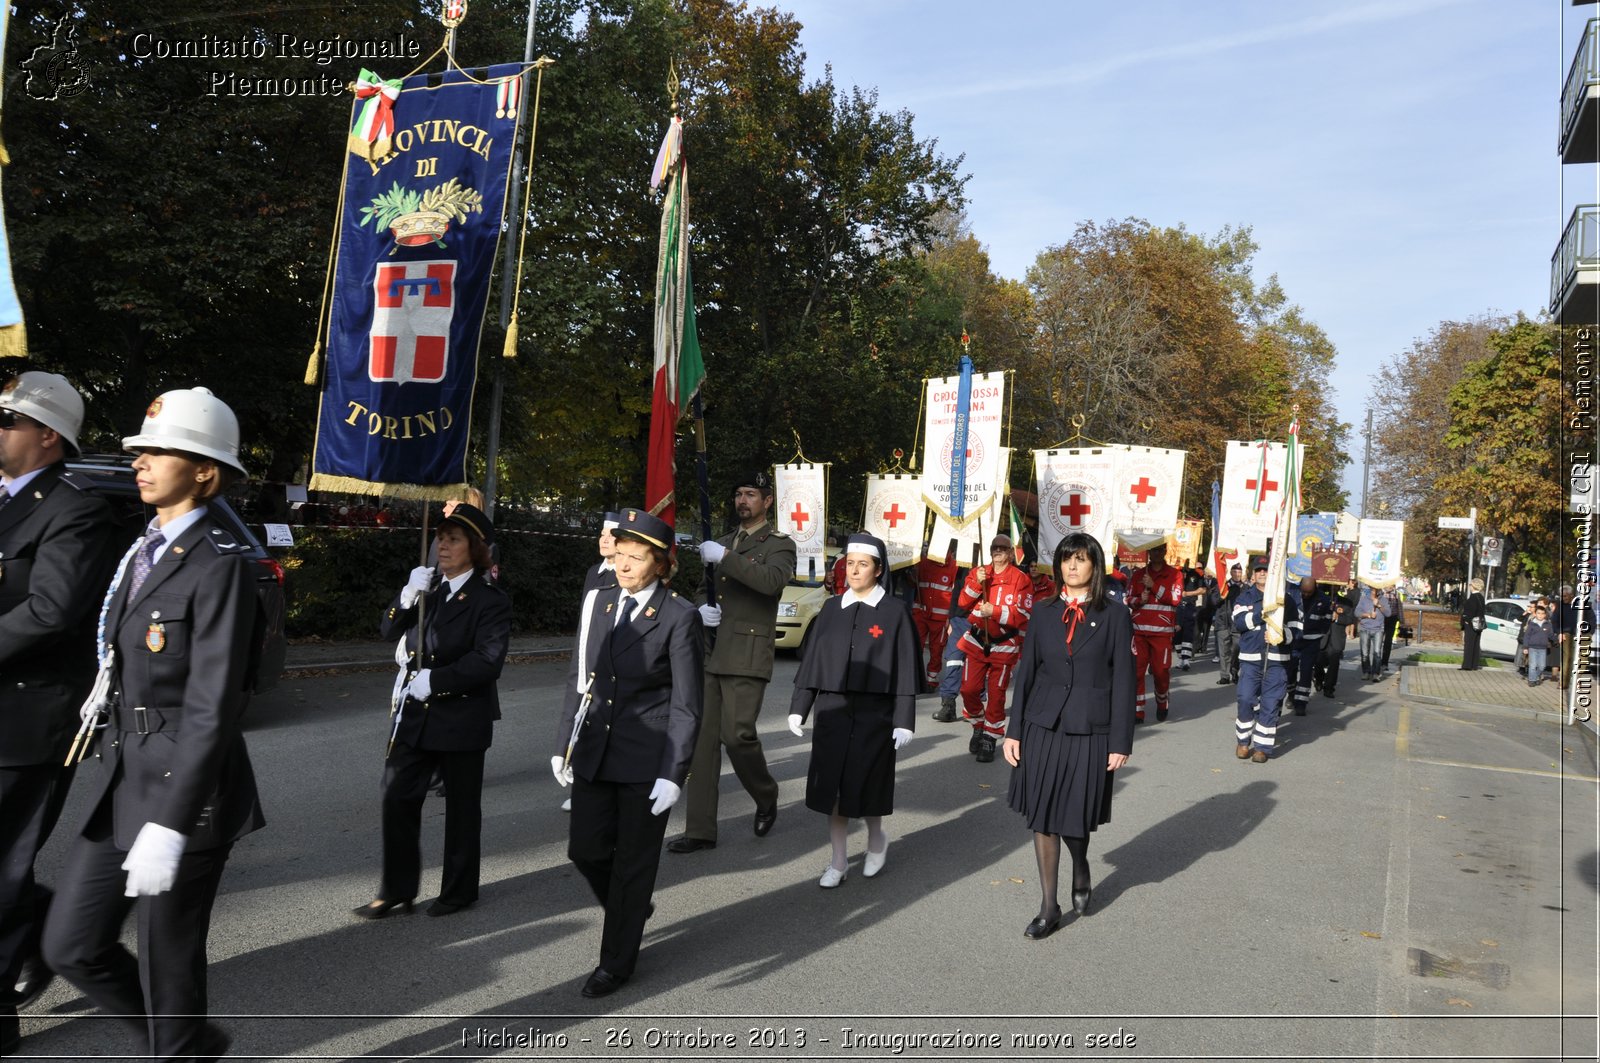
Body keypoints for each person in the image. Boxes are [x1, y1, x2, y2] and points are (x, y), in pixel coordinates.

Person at [42, 388, 262, 1061]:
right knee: (71, 944)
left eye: (160, 450)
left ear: (204, 469)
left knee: (168, 966)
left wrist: (171, 821)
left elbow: (213, 705)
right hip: (129, 779)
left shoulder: (219, 564)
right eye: (139, 449)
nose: (140, 460)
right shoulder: (144, 548)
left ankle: (178, 1044)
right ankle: (187, 1044)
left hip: (186, 796)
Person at [0, 373, 118, 1056]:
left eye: (9, 418)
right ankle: (50, 930)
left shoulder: (74, 509)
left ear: (48, 434)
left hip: (30, 719)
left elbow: (50, 610)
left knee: (2, 864)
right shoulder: (6, 503)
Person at [553, 508, 702, 998]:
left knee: (633, 865)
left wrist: (674, 773)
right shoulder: (598, 601)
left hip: (646, 758)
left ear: (661, 564)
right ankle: (632, 907)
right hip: (596, 749)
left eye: (636, 558)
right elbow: (582, 680)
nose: (624, 564)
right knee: (586, 849)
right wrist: (563, 745)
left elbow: (686, 704)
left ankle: (615, 962)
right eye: (620, 554)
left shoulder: (679, 616)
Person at [354, 502, 512, 920]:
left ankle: (459, 890)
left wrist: (436, 681)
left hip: (460, 715)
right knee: (397, 797)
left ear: (475, 548)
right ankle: (398, 889)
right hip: (415, 715)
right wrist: (406, 596)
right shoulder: (428, 588)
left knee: (461, 809)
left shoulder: (489, 600)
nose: (443, 545)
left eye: (453, 539)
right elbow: (387, 630)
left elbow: (487, 660)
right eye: (440, 537)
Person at [1002, 532, 1134, 939]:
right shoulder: (1042, 613)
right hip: (1043, 726)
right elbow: (1027, 673)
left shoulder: (1114, 615)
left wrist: (1119, 741)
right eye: (1065, 560)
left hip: (1089, 729)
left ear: (1095, 566)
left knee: (1074, 815)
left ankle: (1081, 865)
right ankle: (1048, 906)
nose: (1071, 567)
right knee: (1043, 816)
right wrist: (1014, 730)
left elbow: (1125, 681)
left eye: (1080, 560)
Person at [669, 470, 794, 853]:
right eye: (739, 494)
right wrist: (699, 608)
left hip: (746, 653)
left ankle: (766, 794)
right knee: (703, 744)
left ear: (767, 500)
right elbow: (701, 589)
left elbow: (771, 582)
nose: (743, 501)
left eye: (751, 494)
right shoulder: (720, 542)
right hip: (710, 651)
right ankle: (700, 830)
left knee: (737, 736)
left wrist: (725, 557)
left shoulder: (779, 544)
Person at [787, 533, 917, 887]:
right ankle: (839, 860)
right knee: (833, 789)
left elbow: (905, 666)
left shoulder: (894, 612)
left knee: (868, 784)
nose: (854, 570)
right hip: (832, 710)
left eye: (863, 564)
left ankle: (876, 840)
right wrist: (800, 706)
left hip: (876, 714)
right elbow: (813, 660)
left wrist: (904, 719)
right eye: (850, 563)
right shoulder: (831, 608)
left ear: (878, 570)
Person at [954, 534, 1034, 763]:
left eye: (1003, 548)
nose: (998, 551)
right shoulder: (979, 573)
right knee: (969, 689)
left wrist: (996, 612)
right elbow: (962, 603)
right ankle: (978, 725)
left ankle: (991, 735)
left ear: (1011, 553)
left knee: (997, 695)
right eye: (994, 548)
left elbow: (1025, 614)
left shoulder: (1021, 579)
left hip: (1004, 644)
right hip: (977, 642)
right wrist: (974, 584)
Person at [1232, 556, 1296, 762]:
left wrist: (1282, 635)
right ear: (1253, 574)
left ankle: (1262, 747)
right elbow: (1239, 622)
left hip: (1277, 660)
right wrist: (1264, 612)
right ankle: (1243, 741)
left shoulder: (1288, 600)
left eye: (1266, 570)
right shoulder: (1245, 597)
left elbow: (1298, 631)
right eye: (1259, 570)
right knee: (1245, 698)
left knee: (1271, 703)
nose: (1262, 573)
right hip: (1251, 659)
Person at [1126, 542, 1183, 723]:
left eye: (1159, 550)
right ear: (1148, 551)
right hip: (1139, 633)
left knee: (1160, 672)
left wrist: (1154, 586)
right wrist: (1138, 600)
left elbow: (1175, 599)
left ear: (1165, 551)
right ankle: (1137, 712)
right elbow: (1127, 598)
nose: (1156, 553)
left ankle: (1162, 702)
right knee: (1136, 673)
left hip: (1162, 634)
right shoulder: (1137, 575)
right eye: (1153, 550)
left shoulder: (1175, 574)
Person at [911, 545, 959, 689]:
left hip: (941, 617)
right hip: (920, 613)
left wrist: (952, 617)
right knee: (914, 645)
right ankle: (914, 676)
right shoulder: (922, 563)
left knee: (936, 649)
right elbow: (912, 583)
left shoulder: (955, 568)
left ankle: (931, 679)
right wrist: (912, 574)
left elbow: (956, 593)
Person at [1290, 576, 1332, 717]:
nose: (1306, 595)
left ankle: (1301, 703)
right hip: (1294, 639)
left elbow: (1327, 619)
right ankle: (1291, 694)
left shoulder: (1324, 600)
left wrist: (1321, 632)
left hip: (1312, 641)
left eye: (1309, 592)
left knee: (1306, 672)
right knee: (1290, 670)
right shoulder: (1292, 594)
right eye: (1304, 592)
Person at [1316, 579, 1357, 696]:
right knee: (1318, 661)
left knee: (1334, 664)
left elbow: (1350, 619)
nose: (1334, 588)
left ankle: (1329, 688)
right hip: (1322, 637)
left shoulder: (1346, 602)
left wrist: (1338, 618)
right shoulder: (1320, 600)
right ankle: (1318, 678)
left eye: (1336, 586)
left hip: (1337, 638)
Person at [1212, 563, 1245, 685]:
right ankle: (1224, 675)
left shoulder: (1245, 588)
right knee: (1224, 651)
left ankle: (1234, 669)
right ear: (1230, 573)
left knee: (1237, 649)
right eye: (1235, 572)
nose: (1237, 574)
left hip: (1237, 624)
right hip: (1222, 622)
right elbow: (1213, 601)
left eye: (1239, 572)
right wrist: (1222, 594)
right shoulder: (1222, 586)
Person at [581, 512, 622, 596]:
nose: (604, 540)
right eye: (602, 535)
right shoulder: (593, 572)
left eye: (611, 536)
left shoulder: (626, 575)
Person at [1175, 561, 1203, 670]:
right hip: (1176, 606)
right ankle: (1180, 658)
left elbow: (1202, 589)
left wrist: (1188, 594)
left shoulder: (1197, 574)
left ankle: (1186, 659)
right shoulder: (1175, 572)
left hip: (1190, 605)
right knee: (1177, 634)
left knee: (1188, 632)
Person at [1520, 603, 1553, 688]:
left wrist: (1557, 639)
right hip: (1532, 647)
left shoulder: (1548, 624)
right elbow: (1527, 636)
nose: (1540, 615)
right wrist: (1525, 647)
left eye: (1542, 613)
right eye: (1538, 613)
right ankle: (1531, 680)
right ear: (1535, 614)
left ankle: (1535, 677)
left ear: (1545, 615)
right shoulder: (1532, 624)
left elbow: (1551, 635)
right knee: (1533, 665)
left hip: (1542, 648)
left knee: (1542, 666)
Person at [1356, 584, 1384, 681]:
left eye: (1377, 590)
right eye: (1373, 590)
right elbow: (1357, 613)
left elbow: (1388, 613)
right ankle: (1366, 671)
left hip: (1378, 629)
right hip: (1365, 629)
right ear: (1371, 590)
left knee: (1377, 653)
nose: (1375, 592)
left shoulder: (1383, 599)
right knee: (1365, 653)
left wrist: (1379, 605)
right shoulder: (1363, 599)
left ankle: (1376, 673)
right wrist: (1368, 615)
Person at [1459, 577, 1486, 671]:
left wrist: (1466, 620)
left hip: (1471, 624)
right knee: (1475, 644)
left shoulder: (1473, 598)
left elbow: (1470, 611)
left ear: (1473, 586)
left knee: (1469, 644)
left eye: (1470, 585)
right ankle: (1474, 664)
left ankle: (1467, 665)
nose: (1469, 586)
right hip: (1479, 624)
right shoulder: (1481, 597)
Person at [1378, 587, 1402, 673]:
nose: (1391, 586)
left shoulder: (1396, 594)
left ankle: (1384, 663)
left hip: (1392, 619)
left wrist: (1401, 620)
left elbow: (1399, 607)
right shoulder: (1380, 592)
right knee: (1378, 640)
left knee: (1388, 641)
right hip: (1382, 618)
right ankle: (1376, 661)